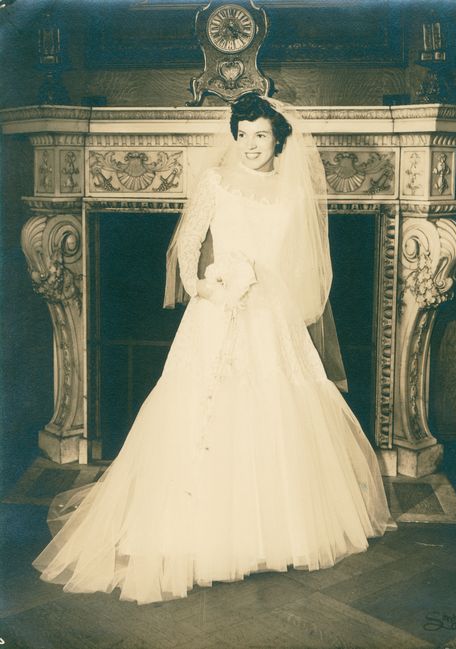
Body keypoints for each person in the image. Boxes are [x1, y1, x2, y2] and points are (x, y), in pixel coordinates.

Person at [33, 93, 396, 605]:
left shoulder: (292, 194)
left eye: (261, 135)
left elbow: (303, 266)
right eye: (243, 134)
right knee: (199, 410)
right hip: (216, 308)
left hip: (271, 318)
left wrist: (283, 305)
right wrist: (202, 285)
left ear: (279, 140)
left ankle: (270, 537)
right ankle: (199, 535)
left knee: (275, 413)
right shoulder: (215, 182)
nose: (250, 145)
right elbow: (187, 242)